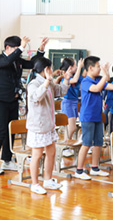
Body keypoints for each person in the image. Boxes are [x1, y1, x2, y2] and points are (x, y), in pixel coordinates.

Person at [75, 56, 113, 180]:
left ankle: (95, 168)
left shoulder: (97, 81)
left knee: (98, 144)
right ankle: (79, 170)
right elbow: (96, 89)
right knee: (86, 144)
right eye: (98, 66)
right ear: (90, 68)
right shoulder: (86, 82)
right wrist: (106, 76)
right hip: (88, 117)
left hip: (97, 117)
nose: (99, 68)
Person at [0, 36, 48, 173]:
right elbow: (8, 61)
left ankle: (7, 160)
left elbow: (32, 64)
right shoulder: (2, 59)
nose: (19, 52)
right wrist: (21, 47)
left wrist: (40, 50)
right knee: (1, 131)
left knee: (11, 131)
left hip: (13, 100)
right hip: (1, 101)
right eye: (16, 49)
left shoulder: (17, 61)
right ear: (7, 48)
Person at [26, 57, 71, 194]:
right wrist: (47, 81)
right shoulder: (33, 83)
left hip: (49, 125)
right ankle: (35, 183)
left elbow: (61, 91)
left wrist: (67, 79)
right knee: (37, 154)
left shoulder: (49, 83)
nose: (52, 71)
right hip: (38, 126)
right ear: (46, 69)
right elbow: (36, 98)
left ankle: (48, 179)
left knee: (51, 152)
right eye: (50, 68)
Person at [59, 58, 84, 157]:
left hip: (74, 102)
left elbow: (83, 79)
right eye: (75, 65)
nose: (77, 67)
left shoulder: (75, 76)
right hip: (67, 102)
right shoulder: (65, 77)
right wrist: (80, 68)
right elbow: (75, 80)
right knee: (71, 127)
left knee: (72, 127)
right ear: (70, 67)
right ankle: (65, 147)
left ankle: (67, 145)